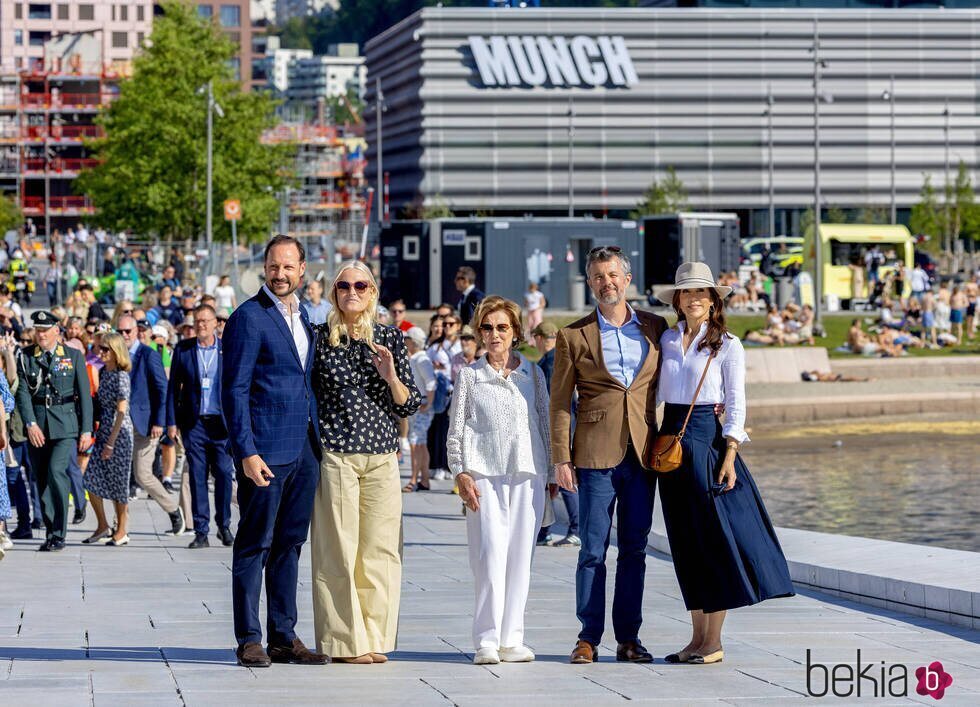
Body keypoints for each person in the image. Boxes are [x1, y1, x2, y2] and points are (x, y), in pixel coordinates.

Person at [653, 261, 794, 665]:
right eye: (686, 292)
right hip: (671, 443)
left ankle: (713, 640)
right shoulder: (666, 339)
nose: (694, 298)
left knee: (712, 540)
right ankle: (696, 637)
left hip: (707, 443)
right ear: (677, 300)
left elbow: (736, 402)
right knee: (686, 542)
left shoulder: (728, 345)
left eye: (701, 292)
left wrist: (731, 453)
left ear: (714, 300)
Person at [550, 246, 667, 665]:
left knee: (635, 550)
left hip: (643, 455)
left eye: (613, 275)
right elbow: (560, 402)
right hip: (594, 456)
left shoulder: (656, 327)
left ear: (627, 279)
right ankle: (588, 637)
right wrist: (560, 458)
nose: (607, 283)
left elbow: (675, 381)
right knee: (592, 550)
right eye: (599, 277)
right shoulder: (573, 335)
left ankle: (629, 638)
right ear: (590, 283)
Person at [222, 235, 326, 669]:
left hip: (305, 449)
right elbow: (234, 390)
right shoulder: (248, 317)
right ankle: (249, 638)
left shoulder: (305, 317)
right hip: (264, 453)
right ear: (263, 268)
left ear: (302, 269)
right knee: (254, 545)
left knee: (290, 544)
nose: (279, 275)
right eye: (272, 267)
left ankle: (284, 636)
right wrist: (246, 451)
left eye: (288, 267)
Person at [310, 260, 421, 664]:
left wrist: (391, 375)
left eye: (360, 285)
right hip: (337, 453)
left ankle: (373, 638)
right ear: (334, 292)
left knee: (381, 551)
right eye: (343, 286)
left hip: (382, 455)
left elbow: (411, 401)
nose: (351, 291)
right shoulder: (319, 339)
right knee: (337, 551)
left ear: (373, 292)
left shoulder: (390, 337)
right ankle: (343, 643)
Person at [448, 296, 553, 665]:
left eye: (502, 327)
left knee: (520, 558)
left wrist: (552, 473)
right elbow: (456, 428)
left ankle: (513, 638)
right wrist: (460, 471)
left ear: (516, 333)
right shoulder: (470, 376)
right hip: (484, 474)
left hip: (529, 472)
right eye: (488, 328)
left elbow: (543, 421)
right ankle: (487, 639)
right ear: (479, 333)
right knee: (489, 555)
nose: (494, 334)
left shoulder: (534, 374)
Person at [15, 310, 93, 552]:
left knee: (56, 471)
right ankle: (51, 531)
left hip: (65, 425)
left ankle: (60, 532)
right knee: (41, 479)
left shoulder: (73, 356)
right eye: (37, 331)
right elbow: (23, 393)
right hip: (38, 425)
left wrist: (86, 429)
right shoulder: (26, 357)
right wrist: (30, 423)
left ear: (56, 331)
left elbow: (85, 396)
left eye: (45, 331)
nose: (40, 336)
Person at [166, 304, 235, 549]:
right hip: (194, 424)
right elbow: (173, 388)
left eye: (206, 321)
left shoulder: (228, 348)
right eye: (198, 322)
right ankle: (201, 530)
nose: (201, 325)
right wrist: (171, 422)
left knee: (225, 475)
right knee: (197, 477)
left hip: (221, 424)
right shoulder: (184, 350)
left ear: (216, 323)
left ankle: (224, 525)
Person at [117, 315, 184, 535]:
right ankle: (119, 527)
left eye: (128, 331)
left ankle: (174, 511)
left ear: (137, 331)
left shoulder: (149, 355)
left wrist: (159, 421)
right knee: (119, 475)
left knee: (143, 474)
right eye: (120, 332)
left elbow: (162, 390)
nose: (124, 336)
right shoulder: (117, 355)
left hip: (146, 424)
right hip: (121, 424)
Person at [81, 332, 134, 546]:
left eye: (105, 349)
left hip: (119, 435)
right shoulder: (104, 372)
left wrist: (111, 442)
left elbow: (121, 412)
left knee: (118, 484)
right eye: (100, 348)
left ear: (116, 352)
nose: (100, 353)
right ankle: (103, 524)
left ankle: (121, 529)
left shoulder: (121, 376)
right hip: (104, 431)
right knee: (91, 480)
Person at [532, 321, 579, 548]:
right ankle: (545, 531)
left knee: (563, 478)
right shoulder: (552, 360)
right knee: (552, 479)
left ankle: (576, 529)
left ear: (540, 338)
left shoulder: (549, 363)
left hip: (557, 428)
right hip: (564, 425)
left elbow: (551, 400)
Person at [404, 326, 434, 493]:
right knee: (421, 443)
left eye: (408, 339)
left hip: (422, 405)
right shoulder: (415, 358)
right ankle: (424, 480)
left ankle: (414, 479)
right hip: (417, 404)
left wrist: (428, 404)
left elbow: (431, 383)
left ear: (413, 342)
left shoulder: (422, 359)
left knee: (415, 442)